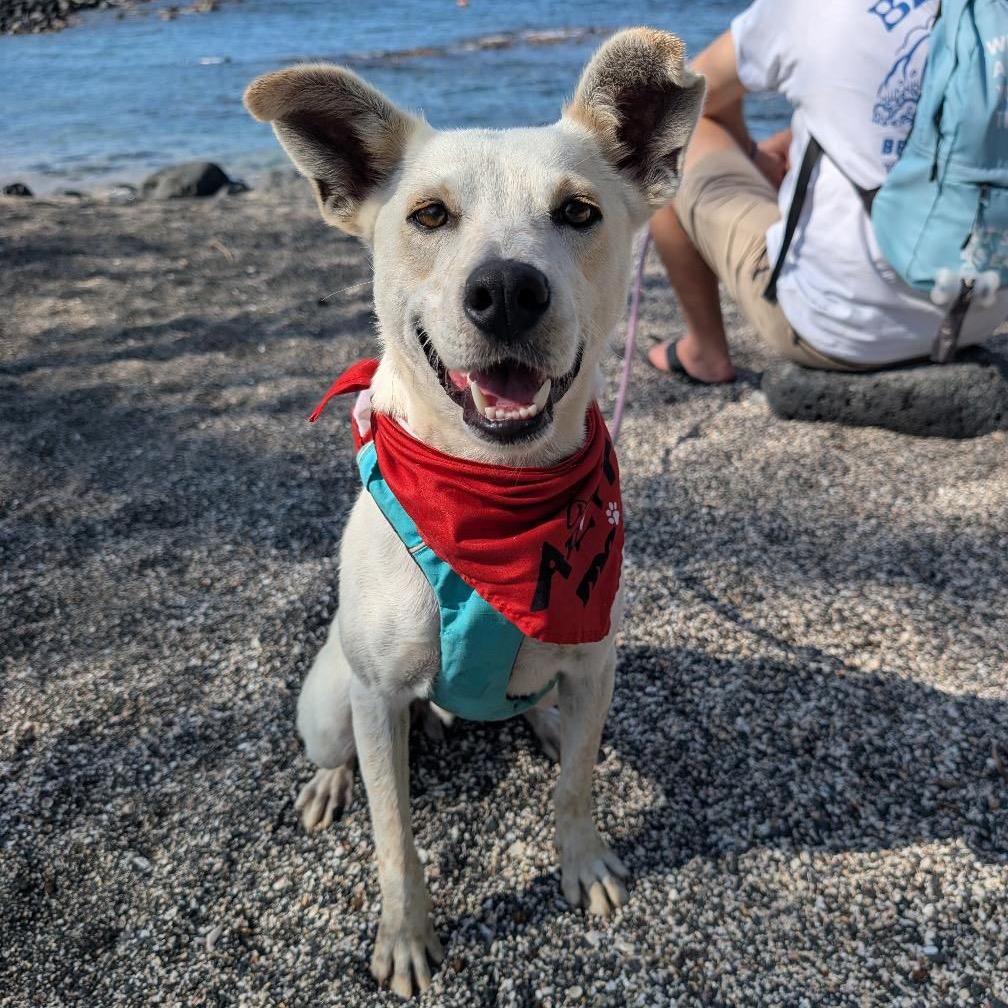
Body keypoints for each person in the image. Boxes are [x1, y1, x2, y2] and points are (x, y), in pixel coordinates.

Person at [648, 0, 1008, 383]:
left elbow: (690, 93)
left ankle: (705, 352)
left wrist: (752, 156)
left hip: (842, 330)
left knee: (666, 133)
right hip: (981, 310)